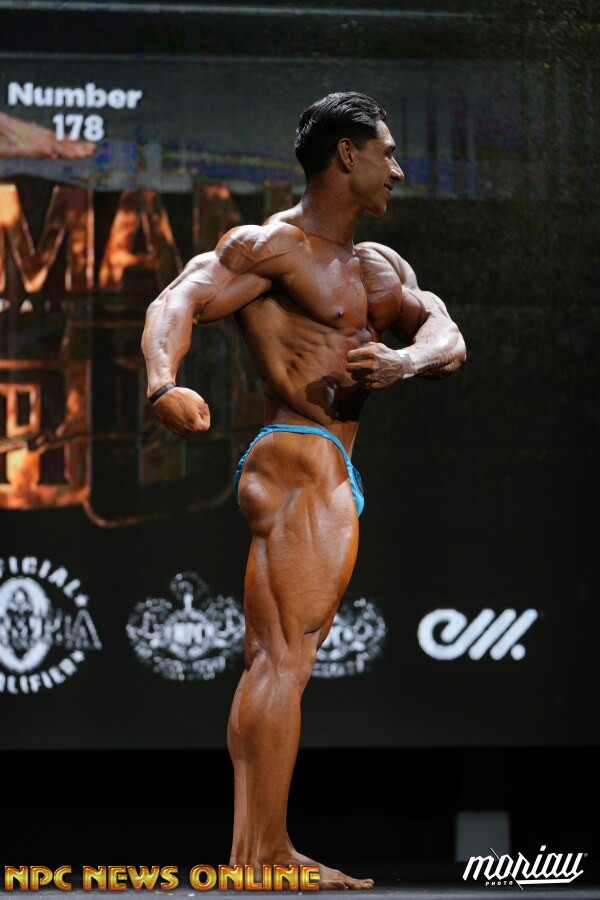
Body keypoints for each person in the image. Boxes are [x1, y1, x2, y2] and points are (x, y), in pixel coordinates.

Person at [142, 91, 466, 889]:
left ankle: (254, 854)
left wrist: (404, 361)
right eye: (387, 153)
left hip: (325, 463)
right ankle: (263, 858)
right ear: (346, 154)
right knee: (283, 662)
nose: (399, 169)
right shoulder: (275, 248)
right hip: (301, 453)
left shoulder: (379, 266)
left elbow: (447, 335)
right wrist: (162, 384)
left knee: (273, 662)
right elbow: (179, 297)